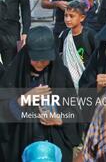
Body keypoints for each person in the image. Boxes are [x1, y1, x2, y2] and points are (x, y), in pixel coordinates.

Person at [0, 26, 81, 162]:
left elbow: (75, 112)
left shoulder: (61, 75)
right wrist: (24, 99)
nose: (40, 63)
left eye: (44, 59)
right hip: (22, 142)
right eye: (36, 59)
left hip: (54, 142)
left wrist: (60, 120)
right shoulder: (14, 75)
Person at [58, 0, 96, 91]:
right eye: (66, 15)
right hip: (69, 82)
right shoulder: (64, 35)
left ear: (82, 18)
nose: (67, 19)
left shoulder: (90, 34)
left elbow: (97, 57)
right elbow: (61, 54)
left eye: (72, 16)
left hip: (88, 82)